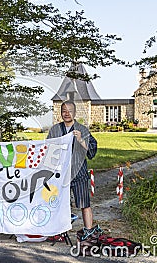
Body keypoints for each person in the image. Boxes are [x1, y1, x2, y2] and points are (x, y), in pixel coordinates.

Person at [47, 100, 97, 233]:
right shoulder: (55, 130)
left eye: (70, 111)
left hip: (78, 172)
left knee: (84, 203)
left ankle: (88, 231)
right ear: (60, 113)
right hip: (60, 175)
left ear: (74, 113)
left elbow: (92, 151)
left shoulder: (82, 129)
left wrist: (81, 140)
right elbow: (48, 151)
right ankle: (57, 231)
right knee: (57, 204)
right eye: (64, 111)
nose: (67, 113)